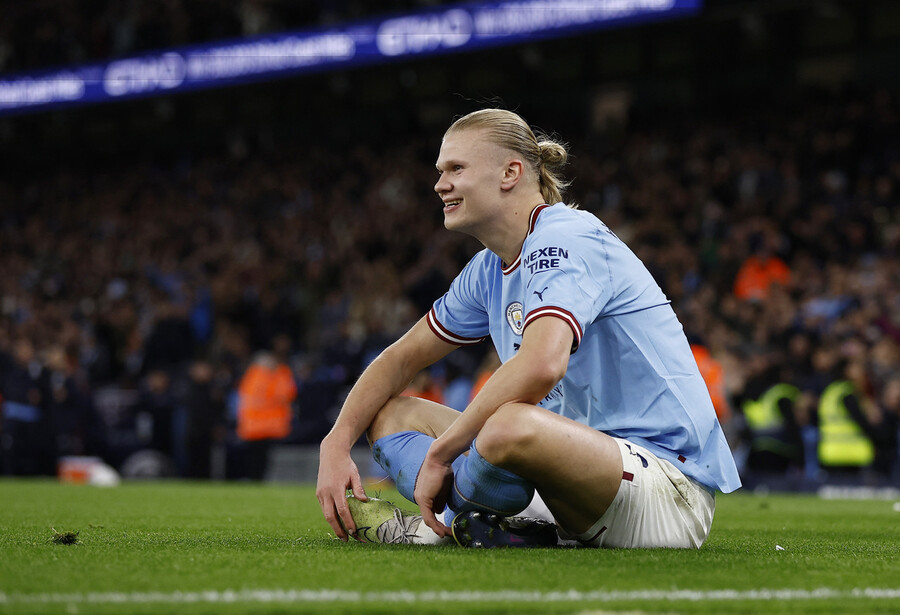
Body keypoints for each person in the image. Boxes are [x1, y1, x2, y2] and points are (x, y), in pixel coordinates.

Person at [316, 109, 741, 549]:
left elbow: (542, 365)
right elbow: (399, 359)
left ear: (510, 173)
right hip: (561, 481)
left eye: (456, 169)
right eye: (440, 171)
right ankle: (502, 528)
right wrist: (335, 442)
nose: (440, 184)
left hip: (664, 490)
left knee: (508, 425)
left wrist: (442, 453)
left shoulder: (568, 238)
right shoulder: (486, 269)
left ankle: (440, 526)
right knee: (388, 413)